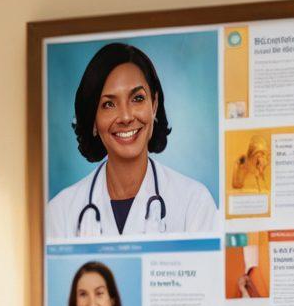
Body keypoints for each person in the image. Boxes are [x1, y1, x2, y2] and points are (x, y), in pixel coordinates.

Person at [46, 41, 219, 239]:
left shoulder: (193, 203)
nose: (126, 117)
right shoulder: (60, 214)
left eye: (137, 98)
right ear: (93, 120)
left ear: (153, 105)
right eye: (108, 104)